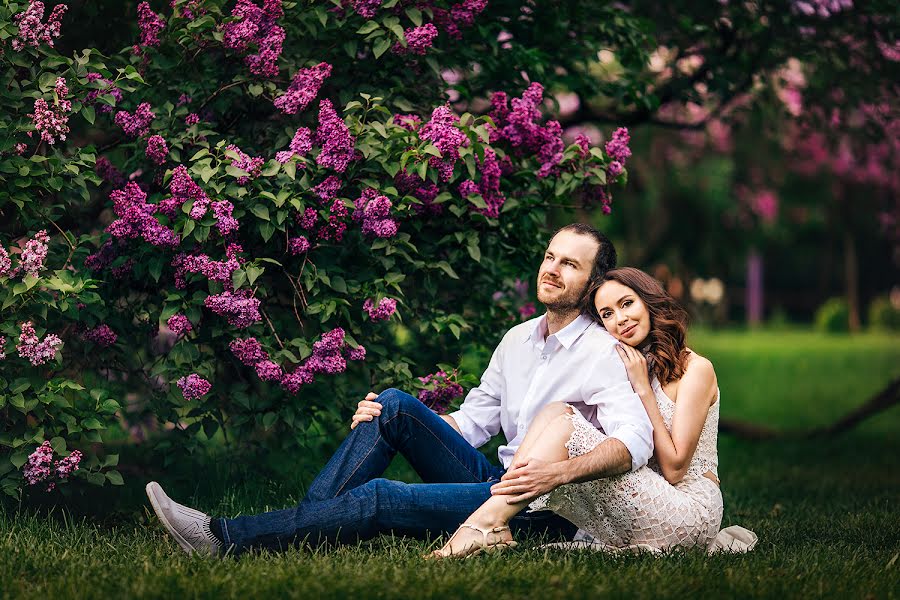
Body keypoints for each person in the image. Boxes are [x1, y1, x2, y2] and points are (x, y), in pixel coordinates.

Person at [145, 224, 654, 556]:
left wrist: (560, 471)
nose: (551, 269)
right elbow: (472, 422)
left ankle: (225, 538)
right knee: (391, 405)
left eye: (570, 264)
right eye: (549, 256)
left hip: (544, 509)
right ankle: (313, 529)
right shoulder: (518, 339)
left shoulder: (604, 351)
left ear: (593, 283)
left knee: (384, 497)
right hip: (494, 476)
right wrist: (402, 425)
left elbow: (637, 440)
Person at [430, 267, 723, 558]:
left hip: (687, 510)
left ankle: (486, 522)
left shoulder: (696, 370)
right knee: (557, 411)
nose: (620, 319)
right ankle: (501, 514)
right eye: (607, 314)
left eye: (626, 304)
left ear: (649, 301)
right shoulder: (632, 363)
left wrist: (644, 391)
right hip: (647, 492)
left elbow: (674, 469)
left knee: (568, 424)